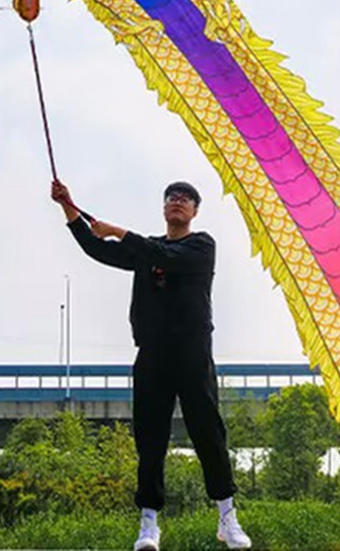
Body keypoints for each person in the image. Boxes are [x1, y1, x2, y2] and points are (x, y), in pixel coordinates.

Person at [51, 179, 251, 551]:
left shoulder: (202, 245)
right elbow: (97, 248)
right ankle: (149, 524)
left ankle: (227, 516)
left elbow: (166, 258)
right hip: (153, 354)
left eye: (186, 199)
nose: (178, 202)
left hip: (192, 353)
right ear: (163, 209)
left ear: (194, 211)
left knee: (208, 433)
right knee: (150, 440)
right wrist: (68, 206)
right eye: (172, 198)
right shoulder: (146, 248)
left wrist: (118, 231)